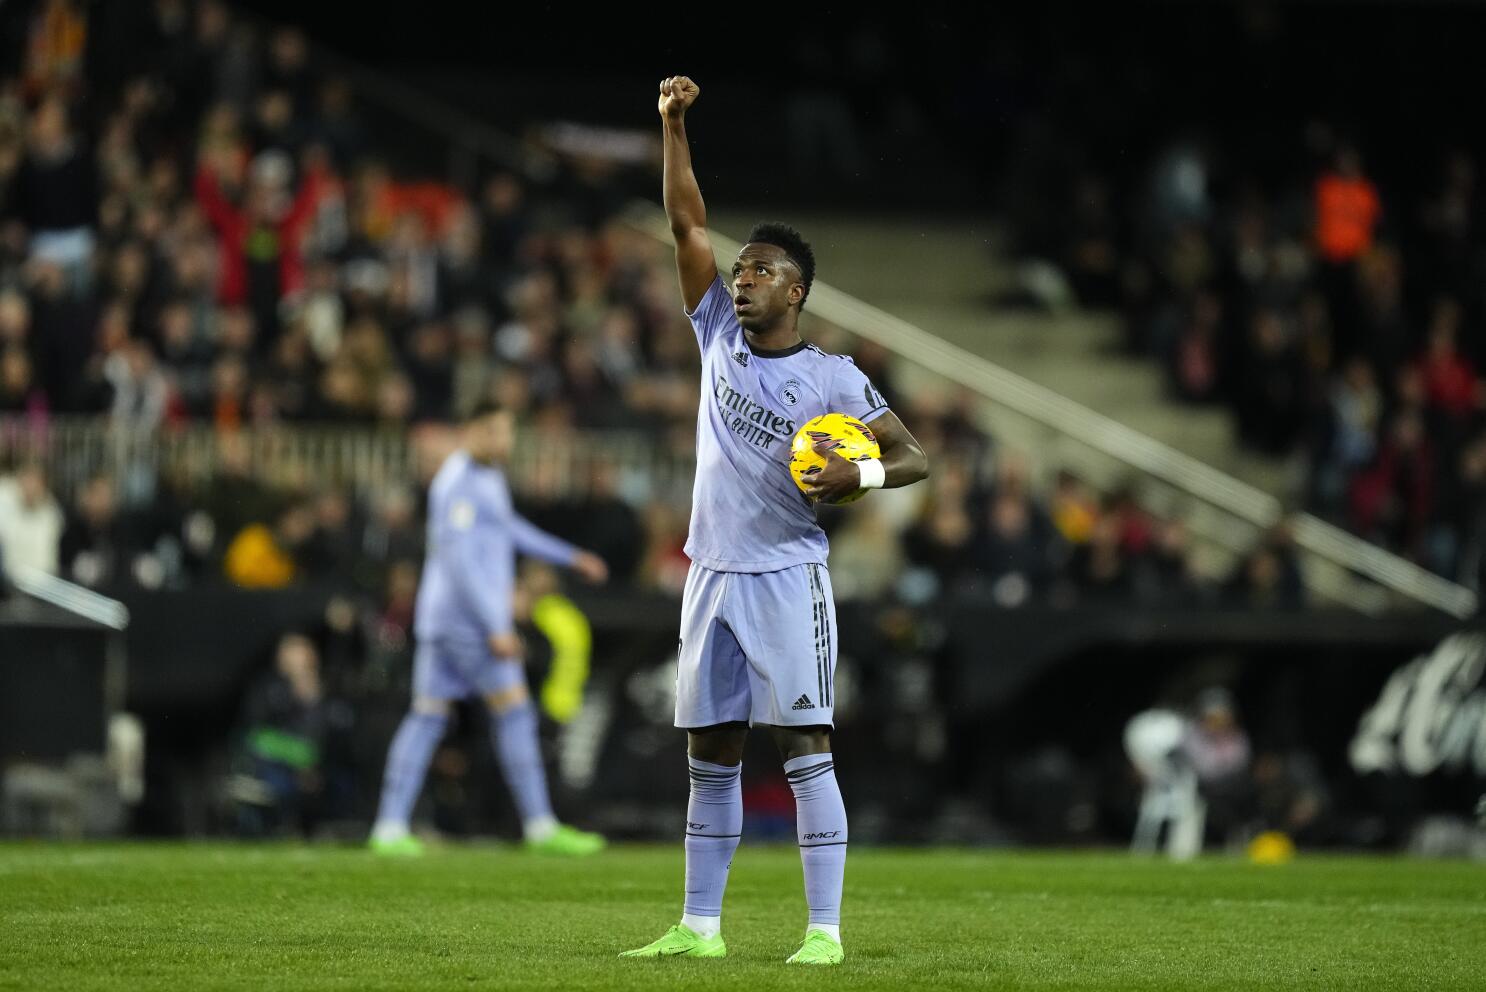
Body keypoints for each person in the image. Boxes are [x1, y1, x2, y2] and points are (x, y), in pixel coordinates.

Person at [620, 77, 929, 966]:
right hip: (710, 571)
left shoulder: (833, 381)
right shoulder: (714, 328)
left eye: (761, 270)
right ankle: (700, 929)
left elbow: (914, 457)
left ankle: (824, 934)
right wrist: (673, 128)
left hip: (790, 576)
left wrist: (856, 469)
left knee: (805, 748)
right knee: (709, 756)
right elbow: (684, 224)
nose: (742, 278)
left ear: (796, 293)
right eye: (742, 267)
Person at [369, 400, 609, 856]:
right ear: (470, 431)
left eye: (507, 431)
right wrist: (496, 624)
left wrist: (570, 556)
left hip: (442, 619)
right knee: (515, 713)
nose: (504, 440)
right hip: (466, 623)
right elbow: (459, 562)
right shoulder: (457, 483)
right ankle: (539, 826)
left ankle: (388, 826)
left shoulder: (486, 478)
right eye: (494, 431)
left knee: (427, 715)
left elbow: (509, 529)